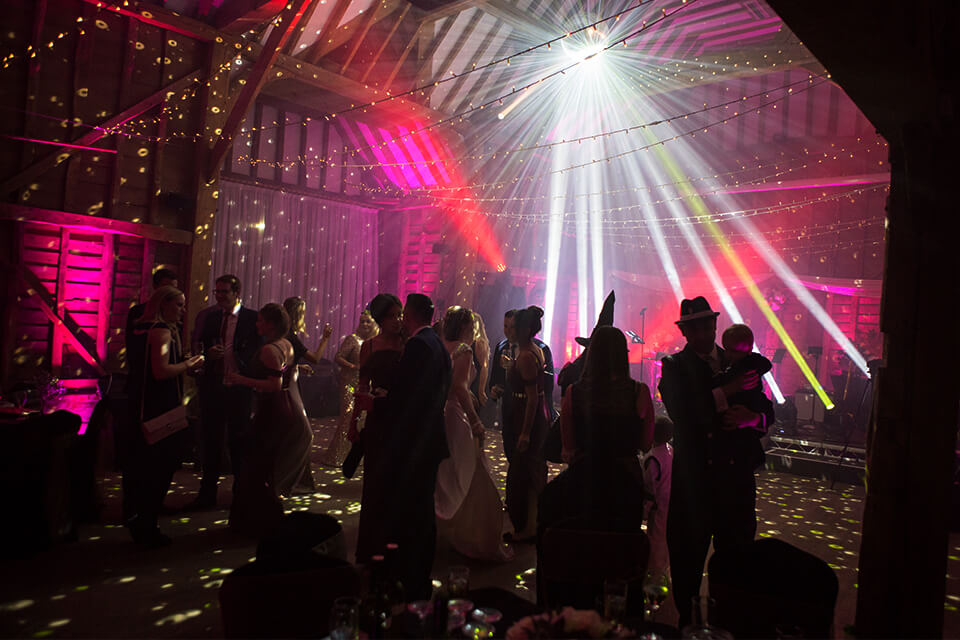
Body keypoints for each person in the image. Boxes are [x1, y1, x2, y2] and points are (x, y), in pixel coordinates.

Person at [659, 296, 774, 628]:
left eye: (706, 324)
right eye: (693, 326)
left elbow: (766, 409)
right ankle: (688, 623)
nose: (701, 331)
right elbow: (683, 412)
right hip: (693, 484)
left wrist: (752, 418)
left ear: (714, 324)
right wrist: (728, 389)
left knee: (736, 562)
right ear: (685, 331)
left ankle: (728, 627)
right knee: (686, 562)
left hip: (735, 483)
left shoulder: (741, 360)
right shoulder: (674, 367)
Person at [372, 293, 451, 600]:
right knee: (422, 512)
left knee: (411, 512)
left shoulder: (419, 346)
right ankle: (418, 575)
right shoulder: (438, 344)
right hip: (429, 439)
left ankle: (411, 577)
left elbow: (408, 398)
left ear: (410, 315)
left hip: (416, 442)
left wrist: (377, 404)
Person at [538, 326, 654, 534]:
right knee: (622, 545)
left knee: (586, 542)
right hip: (625, 480)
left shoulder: (574, 392)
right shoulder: (639, 392)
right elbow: (646, 444)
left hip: (585, 478)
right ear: (623, 354)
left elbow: (567, 449)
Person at [124, 286, 204, 546]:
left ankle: (138, 518)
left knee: (141, 467)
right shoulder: (161, 330)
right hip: (160, 405)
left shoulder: (139, 327)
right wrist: (189, 365)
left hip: (138, 403)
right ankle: (147, 525)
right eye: (179, 305)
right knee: (160, 467)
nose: (183, 310)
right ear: (163, 304)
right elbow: (161, 371)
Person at [225, 303, 313, 538]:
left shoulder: (269, 350)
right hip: (282, 408)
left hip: (271, 410)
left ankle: (257, 522)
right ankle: (264, 519)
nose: (257, 324)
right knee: (264, 467)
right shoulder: (286, 344)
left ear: (271, 325)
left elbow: (273, 386)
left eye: (261, 321)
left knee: (256, 467)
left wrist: (239, 379)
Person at [435, 306, 513, 562]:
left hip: (439, 412)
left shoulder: (440, 345)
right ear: (466, 327)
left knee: (445, 470)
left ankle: (442, 524)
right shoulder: (463, 350)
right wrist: (476, 420)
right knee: (466, 469)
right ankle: (464, 528)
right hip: (456, 414)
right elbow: (459, 387)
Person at [189, 274, 262, 510]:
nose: (219, 296)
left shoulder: (252, 318)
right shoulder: (210, 317)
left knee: (238, 440)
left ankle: (240, 492)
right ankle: (207, 492)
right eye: (217, 292)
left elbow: (258, 350)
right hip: (213, 384)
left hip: (239, 386)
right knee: (211, 440)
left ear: (236, 293)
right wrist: (208, 354)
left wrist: (244, 367)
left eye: (224, 292)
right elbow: (198, 344)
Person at [352, 294, 404, 563]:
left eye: (400, 314)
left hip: (400, 419)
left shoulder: (408, 344)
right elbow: (361, 387)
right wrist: (352, 423)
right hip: (375, 419)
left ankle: (395, 543)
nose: (398, 320)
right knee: (373, 482)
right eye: (392, 315)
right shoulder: (369, 346)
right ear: (380, 318)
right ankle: (371, 543)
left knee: (396, 483)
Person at [504, 306, 550, 541]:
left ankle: (526, 527)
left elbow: (532, 397)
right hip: (529, 413)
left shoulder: (525, 356)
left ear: (524, 329)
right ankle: (530, 525)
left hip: (527, 415)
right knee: (530, 471)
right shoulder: (532, 350)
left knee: (523, 472)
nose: (509, 331)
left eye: (514, 327)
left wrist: (524, 432)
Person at [319, 310, 377, 468]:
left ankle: (355, 455)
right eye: (362, 321)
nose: (364, 324)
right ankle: (337, 455)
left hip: (366, 385)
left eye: (368, 321)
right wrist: (353, 366)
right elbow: (338, 357)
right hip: (349, 383)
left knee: (362, 420)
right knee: (348, 417)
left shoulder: (374, 342)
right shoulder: (353, 339)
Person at [643, 416, 674, 576]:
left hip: (658, 504)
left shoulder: (652, 458)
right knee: (664, 535)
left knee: (654, 537)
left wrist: (645, 511)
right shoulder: (671, 451)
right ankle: (662, 568)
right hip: (669, 500)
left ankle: (654, 572)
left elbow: (649, 488)